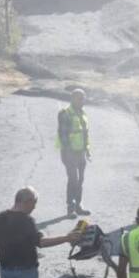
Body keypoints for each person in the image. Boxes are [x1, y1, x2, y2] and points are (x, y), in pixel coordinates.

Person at [57, 89, 91, 217]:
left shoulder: (82, 113)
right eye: (79, 98)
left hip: (81, 152)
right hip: (69, 153)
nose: (82, 101)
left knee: (80, 179)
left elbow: (85, 133)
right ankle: (70, 208)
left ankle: (78, 205)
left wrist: (87, 150)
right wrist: (67, 152)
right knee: (73, 180)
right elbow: (63, 135)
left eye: (83, 98)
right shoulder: (65, 114)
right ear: (73, 99)